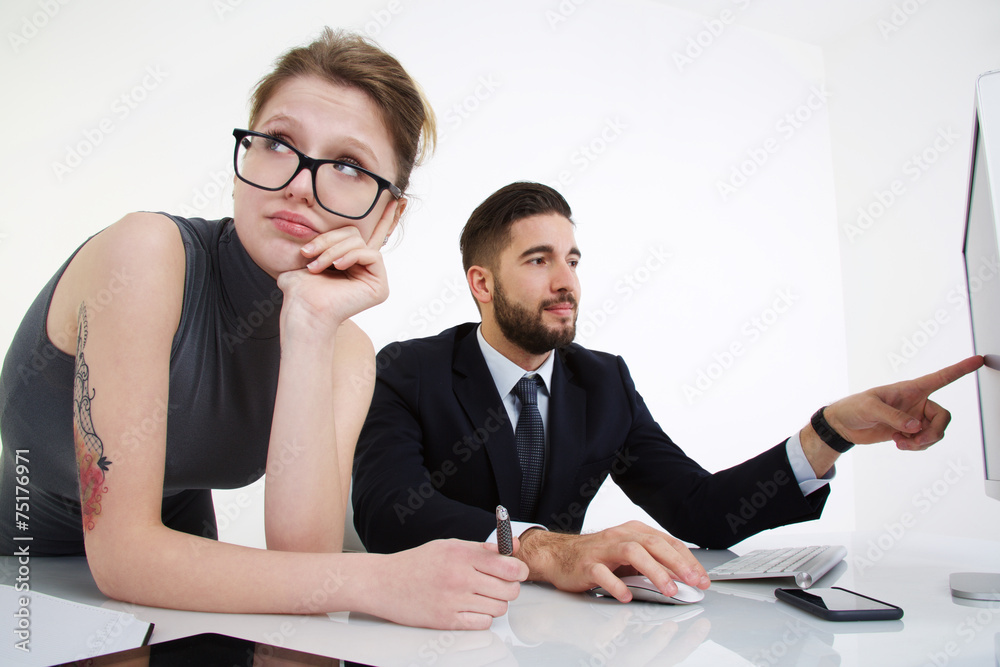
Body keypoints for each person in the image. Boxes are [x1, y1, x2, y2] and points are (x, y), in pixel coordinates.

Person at [0, 29, 526, 631]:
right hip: (18, 570)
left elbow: (304, 567)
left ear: (389, 213)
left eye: (348, 165)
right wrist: (381, 581)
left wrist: (310, 326)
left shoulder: (346, 351)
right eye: (277, 142)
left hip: (177, 581)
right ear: (243, 160)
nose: (300, 183)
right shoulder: (144, 255)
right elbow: (123, 559)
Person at [351, 181, 983, 604]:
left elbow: (700, 511)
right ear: (482, 284)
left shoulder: (603, 382)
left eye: (573, 260)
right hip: (438, 637)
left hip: (559, 640)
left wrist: (830, 432)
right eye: (539, 260)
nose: (567, 281)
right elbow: (386, 512)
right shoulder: (409, 370)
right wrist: (542, 548)